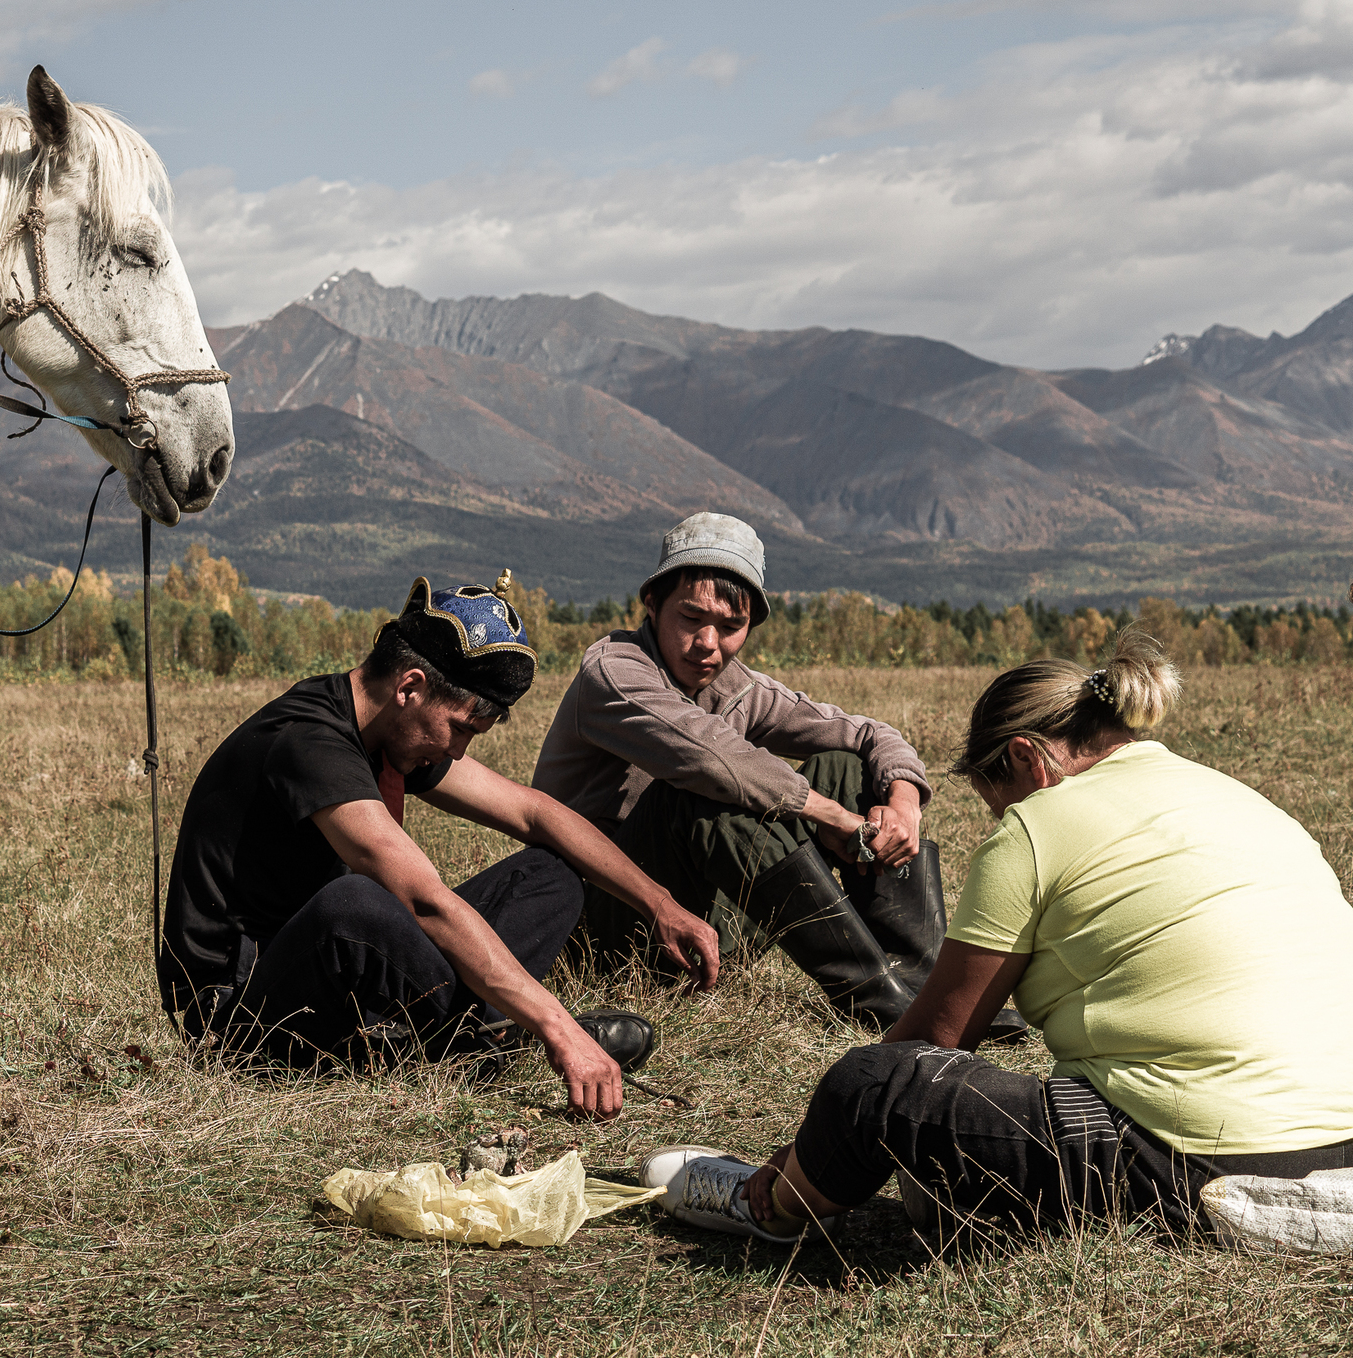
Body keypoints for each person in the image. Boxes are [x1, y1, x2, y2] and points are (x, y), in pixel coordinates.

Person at [643, 629, 1353, 1243]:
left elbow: (937, 1040)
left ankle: (769, 1203)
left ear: (1025, 759)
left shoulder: (1038, 825)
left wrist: (811, 1144)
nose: (1000, 822)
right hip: (1341, 1150)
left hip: (1198, 1161)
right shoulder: (1245, 801)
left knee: (870, 1085)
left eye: (996, 805)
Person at [159, 574, 723, 1118]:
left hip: (338, 984)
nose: (456, 753)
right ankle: (491, 1032)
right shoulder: (309, 742)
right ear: (410, 687)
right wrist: (556, 1025)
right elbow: (422, 900)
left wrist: (659, 904)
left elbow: (535, 813)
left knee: (550, 874)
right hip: (239, 1019)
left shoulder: (389, 728)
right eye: (459, 729)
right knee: (356, 903)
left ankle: (468, 1031)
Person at [533, 512, 1014, 1034]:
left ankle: (924, 985)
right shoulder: (614, 673)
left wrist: (903, 804)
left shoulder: (739, 688)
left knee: (845, 765)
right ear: (652, 605)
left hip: (710, 918)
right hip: (608, 922)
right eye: (691, 618)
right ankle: (872, 998)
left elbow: (869, 734)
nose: (708, 643)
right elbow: (711, 757)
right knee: (701, 793)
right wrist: (832, 817)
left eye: (731, 627)